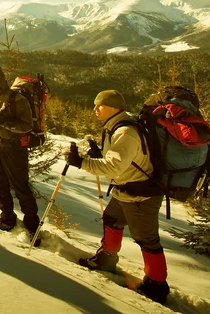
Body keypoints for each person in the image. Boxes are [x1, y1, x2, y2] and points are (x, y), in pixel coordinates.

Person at [66, 89, 169, 304]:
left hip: (141, 195)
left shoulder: (125, 132)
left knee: (147, 239)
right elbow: (122, 160)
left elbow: (114, 167)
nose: (95, 109)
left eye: (99, 105)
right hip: (126, 189)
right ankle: (107, 260)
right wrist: (98, 155)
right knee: (112, 219)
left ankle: (156, 284)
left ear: (114, 107)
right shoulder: (117, 126)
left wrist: (81, 162)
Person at [0, 64, 40, 245]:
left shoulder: (16, 99)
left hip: (15, 149)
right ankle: (7, 218)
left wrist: (6, 123)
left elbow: (26, 126)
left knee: (21, 187)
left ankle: (32, 227)